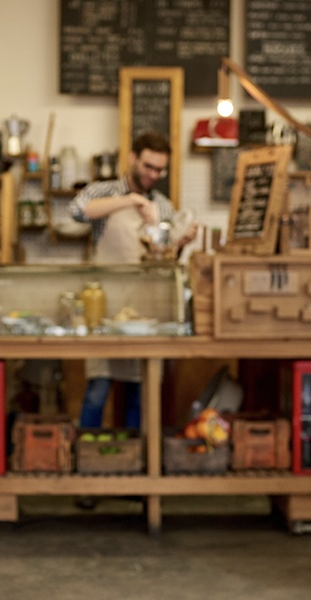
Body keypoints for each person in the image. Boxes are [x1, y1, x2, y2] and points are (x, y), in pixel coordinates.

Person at [69, 131, 196, 431]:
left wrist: (180, 242)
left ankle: (133, 459)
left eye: (159, 170)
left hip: (143, 309)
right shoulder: (104, 191)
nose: (154, 174)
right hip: (105, 305)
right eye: (148, 166)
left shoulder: (163, 206)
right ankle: (88, 459)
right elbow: (77, 210)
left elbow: (162, 256)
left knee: (140, 392)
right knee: (97, 391)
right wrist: (129, 200)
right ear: (132, 159)